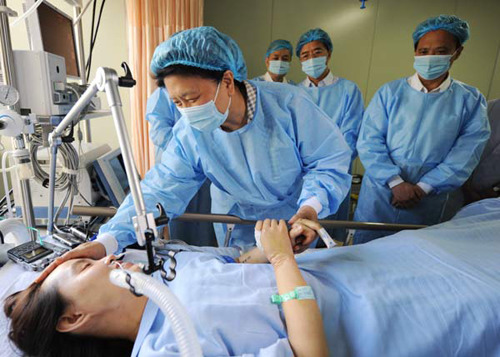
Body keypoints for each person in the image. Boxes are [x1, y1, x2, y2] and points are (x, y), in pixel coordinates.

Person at [38, 26, 351, 270]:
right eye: (177, 103)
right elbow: (158, 190)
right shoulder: (190, 133)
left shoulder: (289, 106)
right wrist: (106, 241)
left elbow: (328, 162)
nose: (186, 110)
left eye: (191, 98)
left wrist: (309, 210)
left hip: (300, 221)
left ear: (227, 81)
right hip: (244, 228)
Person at [5, 219, 329, 357]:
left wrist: (272, 248)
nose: (107, 259)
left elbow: (235, 271)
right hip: (374, 319)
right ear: (72, 318)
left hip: (358, 266)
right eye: (85, 266)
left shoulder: (166, 274)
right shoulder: (166, 349)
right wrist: (281, 260)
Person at [353, 15, 490, 244]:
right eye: (424, 51)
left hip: (431, 201)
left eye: (440, 51)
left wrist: (425, 187)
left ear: (457, 52)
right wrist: (395, 182)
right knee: (367, 256)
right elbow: (369, 141)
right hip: (381, 196)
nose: (430, 58)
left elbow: (466, 154)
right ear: (415, 52)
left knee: (420, 261)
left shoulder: (471, 100)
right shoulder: (390, 93)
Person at [296, 28, 364, 240]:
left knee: (330, 240)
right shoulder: (294, 93)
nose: (312, 58)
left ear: (329, 54)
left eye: (317, 52)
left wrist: (329, 167)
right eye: (305, 55)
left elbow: (350, 137)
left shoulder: (348, 90)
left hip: (334, 173)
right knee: (301, 235)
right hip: (299, 177)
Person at [146, 71, 216, 247]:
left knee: (207, 222)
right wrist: (188, 145)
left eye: (192, 98)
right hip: (177, 166)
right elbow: (159, 132)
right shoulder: (160, 97)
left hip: (208, 165)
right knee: (182, 219)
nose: (185, 105)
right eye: (178, 102)